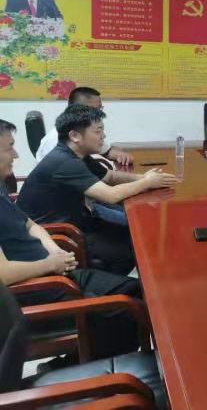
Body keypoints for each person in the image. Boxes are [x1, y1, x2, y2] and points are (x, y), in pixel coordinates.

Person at [0, 118, 142, 360]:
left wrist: (53, 249)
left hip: (53, 272)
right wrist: (50, 264)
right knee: (123, 307)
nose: (16, 154)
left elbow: (29, 224)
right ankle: (78, 367)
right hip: (36, 289)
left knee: (135, 289)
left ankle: (102, 359)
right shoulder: (61, 160)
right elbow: (3, 274)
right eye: (9, 148)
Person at [17, 105, 178, 275]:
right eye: (98, 131)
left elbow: (109, 177)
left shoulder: (76, 154)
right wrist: (147, 183)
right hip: (56, 235)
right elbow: (111, 195)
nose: (104, 136)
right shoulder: (65, 162)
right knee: (133, 247)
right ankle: (105, 285)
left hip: (78, 220)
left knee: (136, 234)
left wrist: (143, 177)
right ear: (74, 136)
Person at [36, 86, 134, 166]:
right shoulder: (55, 141)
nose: (99, 113)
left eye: (100, 109)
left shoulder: (85, 129)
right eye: (95, 109)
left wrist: (121, 155)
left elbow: (106, 151)